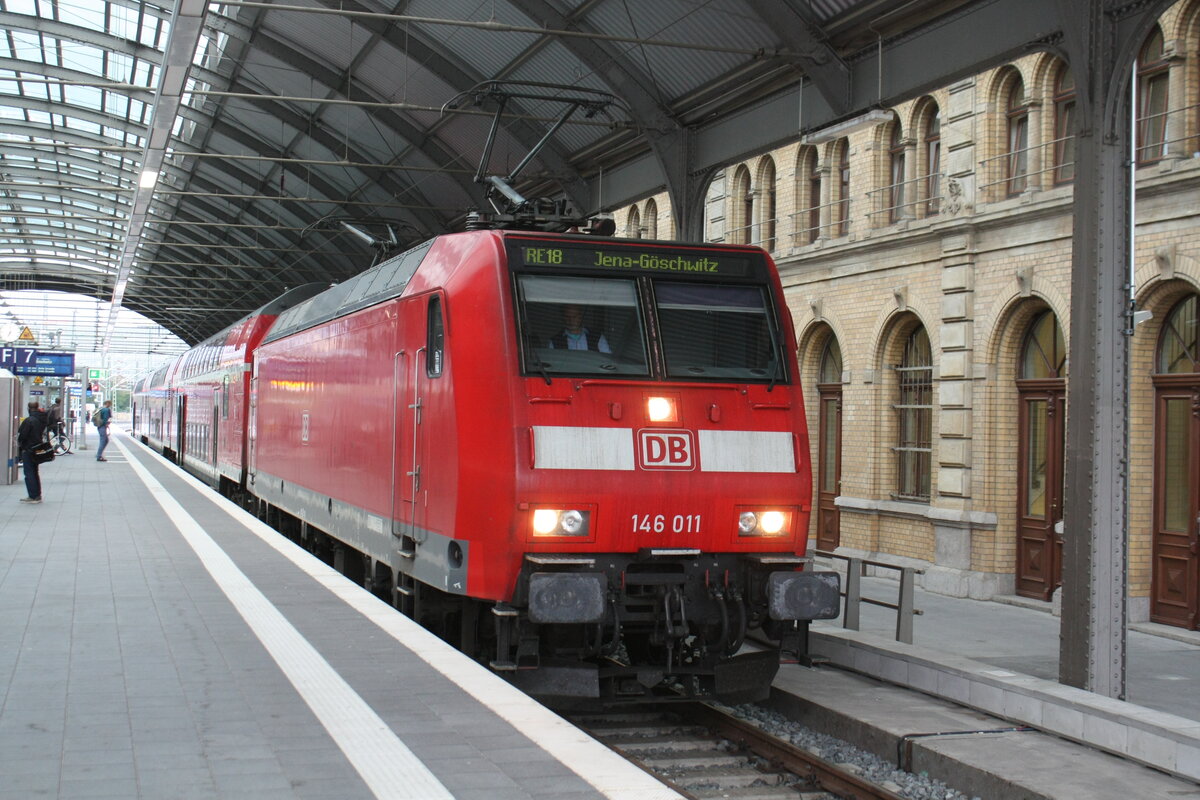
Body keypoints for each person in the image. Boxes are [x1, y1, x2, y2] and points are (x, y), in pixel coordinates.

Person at [17, 401, 47, 504]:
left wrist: (21, 445)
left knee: (29, 472)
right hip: (37, 448)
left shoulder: (29, 420)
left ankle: (33, 496)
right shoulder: (41, 419)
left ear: (29, 408)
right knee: (35, 472)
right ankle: (37, 494)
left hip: (29, 449)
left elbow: (22, 435)